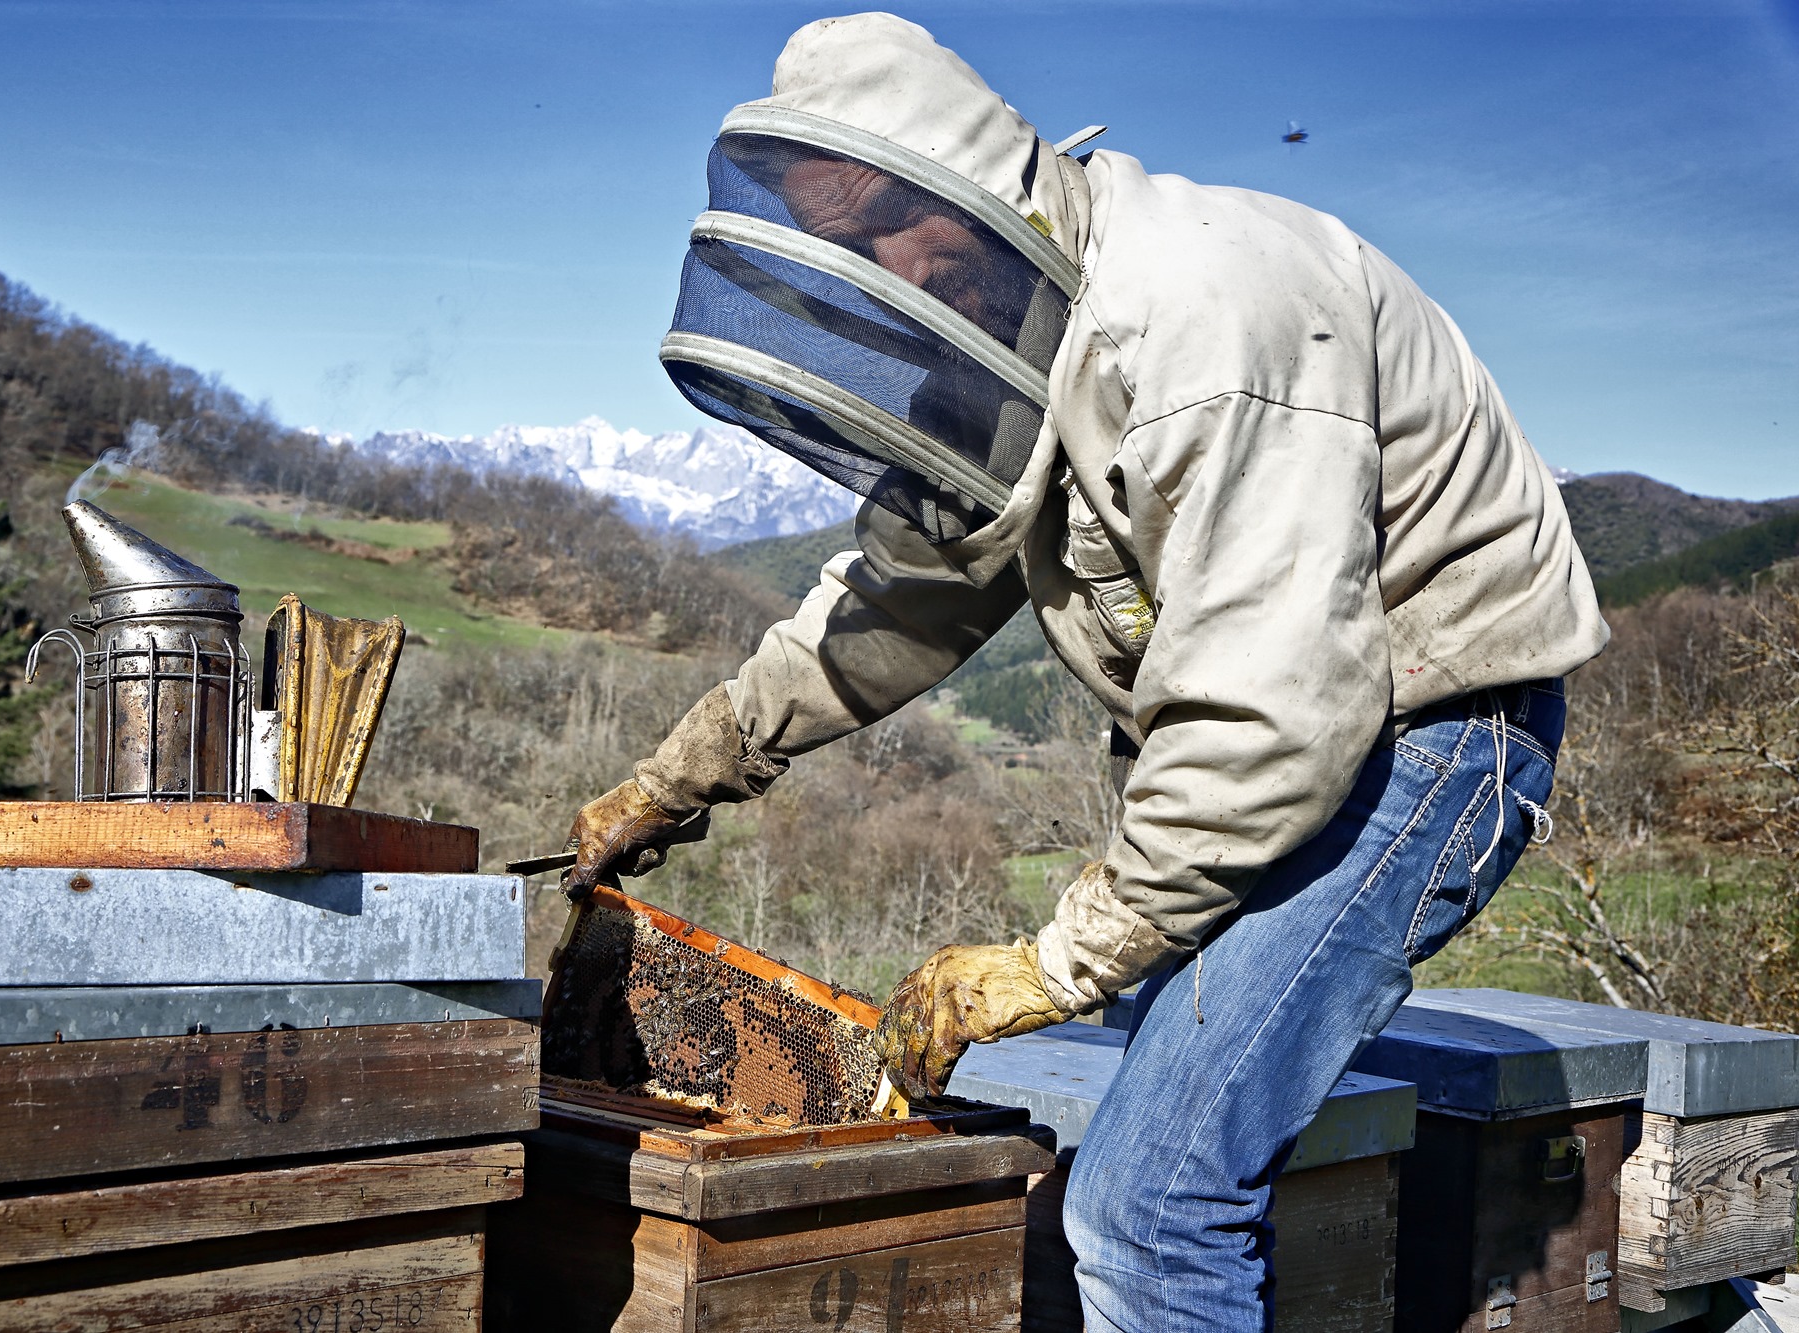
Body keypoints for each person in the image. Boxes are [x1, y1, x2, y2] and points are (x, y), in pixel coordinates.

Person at [561, 13, 1608, 1330]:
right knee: (1169, 1152)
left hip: (1428, 732)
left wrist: (1044, 966)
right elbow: (894, 601)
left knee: (1147, 1208)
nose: (883, 273)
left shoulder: (1200, 330)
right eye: (847, 250)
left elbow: (1268, 718)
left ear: (976, 188)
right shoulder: (1003, 332)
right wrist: (671, 780)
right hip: (1289, 740)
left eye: (893, 230)